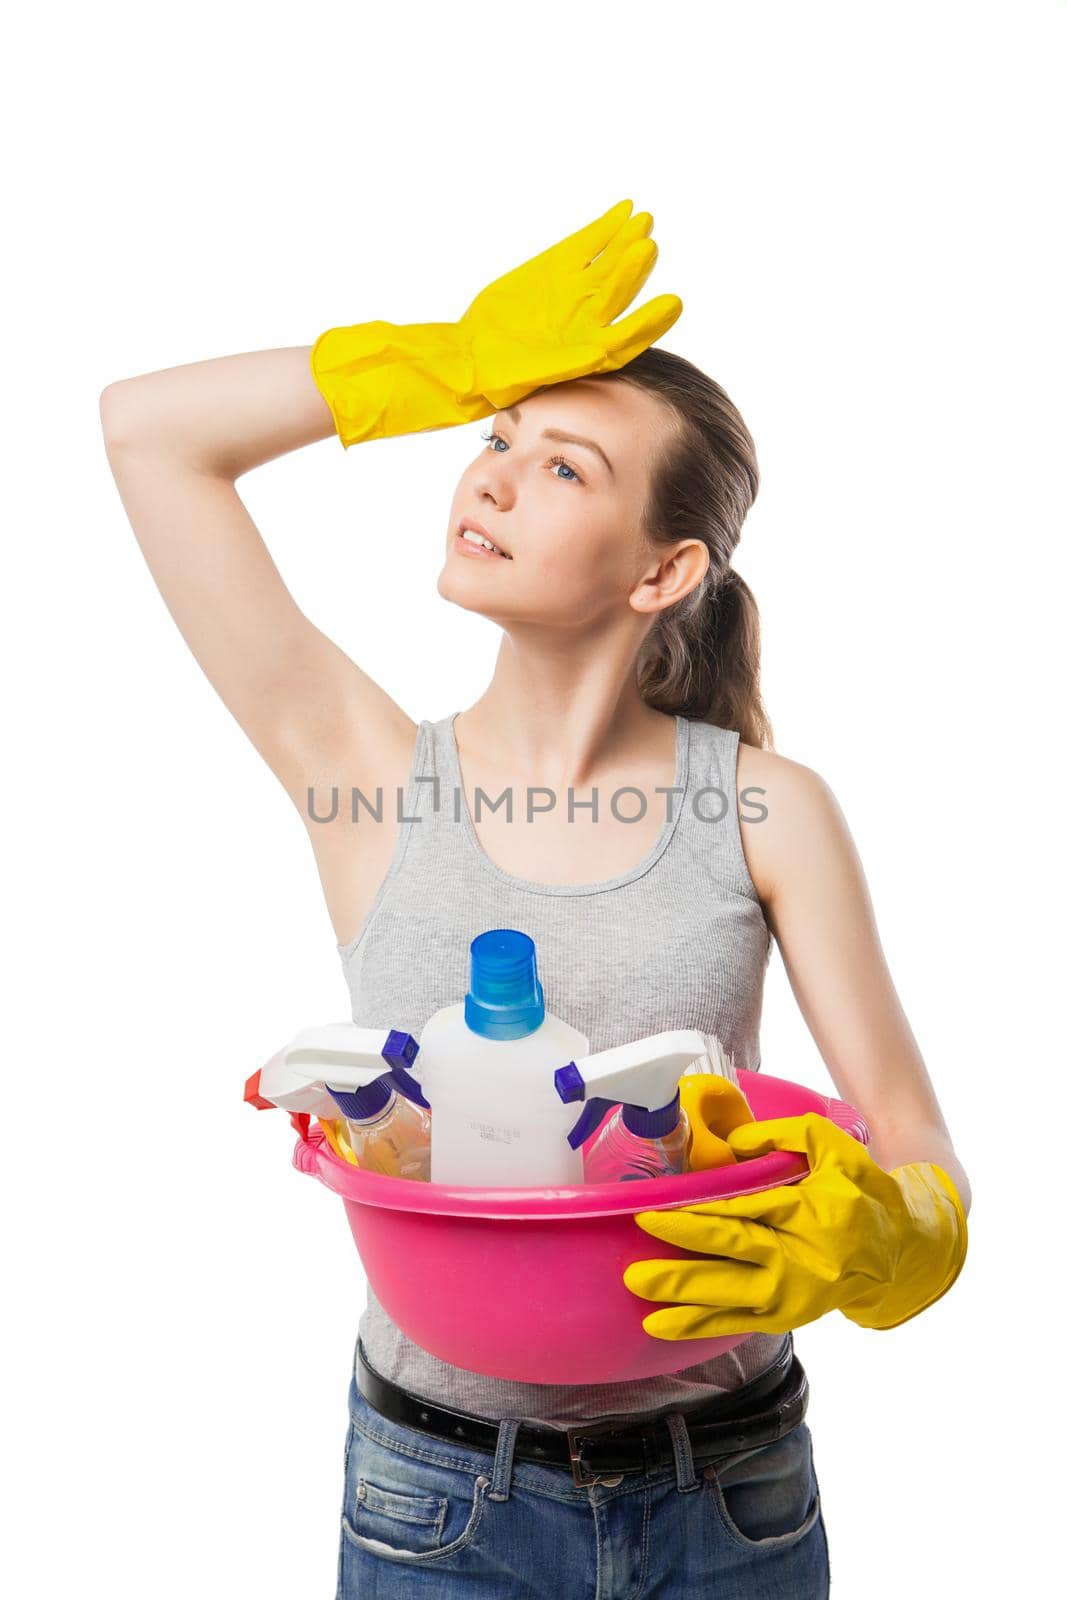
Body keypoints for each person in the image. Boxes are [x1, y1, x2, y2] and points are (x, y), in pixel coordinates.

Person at [100, 200, 970, 1598]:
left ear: (665, 571)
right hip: (439, 1495)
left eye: (562, 466)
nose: (492, 478)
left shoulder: (764, 808)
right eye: (492, 439)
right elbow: (148, 433)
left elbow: (912, 1131)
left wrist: (897, 1236)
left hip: (729, 1488)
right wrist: (444, 359)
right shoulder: (369, 774)